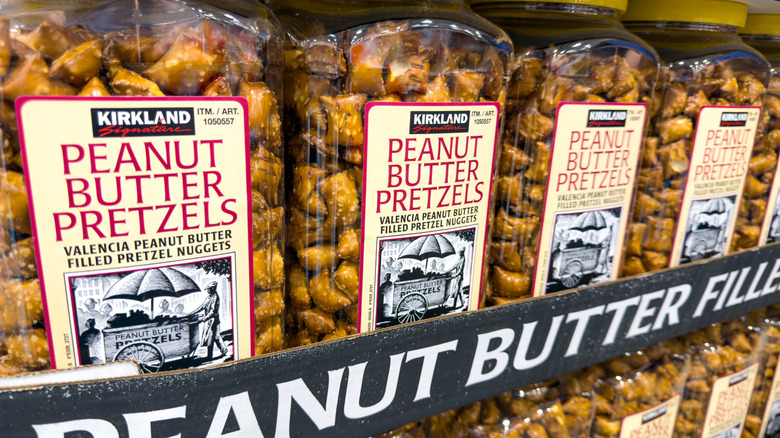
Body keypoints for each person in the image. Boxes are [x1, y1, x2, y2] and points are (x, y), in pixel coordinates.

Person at [190, 281, 229, 359]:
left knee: (211, 338)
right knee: (215, 337)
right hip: (209, 321)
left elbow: (212, 311)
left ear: (213, 288)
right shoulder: (209, 297)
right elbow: (202, 307)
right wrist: (192, 313)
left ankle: (210, 356)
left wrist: (204, 318)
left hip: (214, 321)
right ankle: (224, 350)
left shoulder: (215, 297)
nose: (207, 291)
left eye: (209, 289)